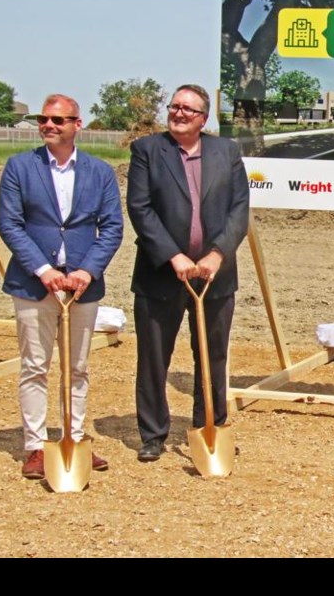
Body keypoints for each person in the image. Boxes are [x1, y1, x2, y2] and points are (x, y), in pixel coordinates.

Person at [0, 94, 123, 479]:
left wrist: (87, 271)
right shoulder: (20, 167)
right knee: (36, 366)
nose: (49, 125)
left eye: (58, 120)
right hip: (34, 285)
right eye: (43, 119)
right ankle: (36, 446)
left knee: (78, 367)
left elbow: (112, 227)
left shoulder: (100, 173)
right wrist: (42, 269)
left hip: (82, 286)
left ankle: (75, 436)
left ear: (76, 125)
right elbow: (10, 224)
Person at [126, 84, 250, 462]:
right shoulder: (148, 150)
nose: (178, 113)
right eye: (174, 106)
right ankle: (153, 434)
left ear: (203, 118)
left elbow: (239, 209)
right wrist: (172, 256)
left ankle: (209, 424)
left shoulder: (226, 152)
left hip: (214, 275)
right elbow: (140, 208)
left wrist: (216, 255)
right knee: (153, 357)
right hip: (161, 275)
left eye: (188, 109)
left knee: (212, 357)